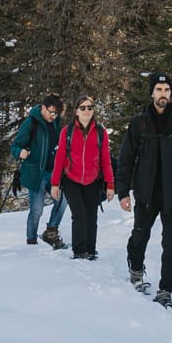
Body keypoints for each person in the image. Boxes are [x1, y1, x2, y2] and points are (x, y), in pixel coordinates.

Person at [115, 72, 172, 306]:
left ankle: (165, 290)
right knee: (140, 235)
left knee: (171, 243)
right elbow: (126, 159)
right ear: (152, 93)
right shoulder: (139, 122)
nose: (163, 94)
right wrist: (123, 192)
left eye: (167, 90)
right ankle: (136, 268)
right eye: (159, 90)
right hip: (146, 193)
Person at [48, 95, 115, 261]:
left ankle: (90, 251)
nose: (86, 111)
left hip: (93, 180)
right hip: (71, 179)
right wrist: (55, 183)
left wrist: (110, 184)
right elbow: (60, 158)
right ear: (76, 111)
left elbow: (106, 159)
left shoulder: (100, 132)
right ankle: (78, 251)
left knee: (91, 216)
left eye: (90, 107)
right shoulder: (67, 132)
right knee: (79, 214)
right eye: (83, 108)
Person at [9, 94, 68, 249]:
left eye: (56, 113)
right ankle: (31, 241)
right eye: (50, 112)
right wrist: (19, 152)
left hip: (53, 173)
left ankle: (51, 231)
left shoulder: (57, 124)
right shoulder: (30, 123)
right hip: (36, 173)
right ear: (43, 107)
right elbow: (15, 146)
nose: (53, 116)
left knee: (62, 200)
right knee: (36, 210)